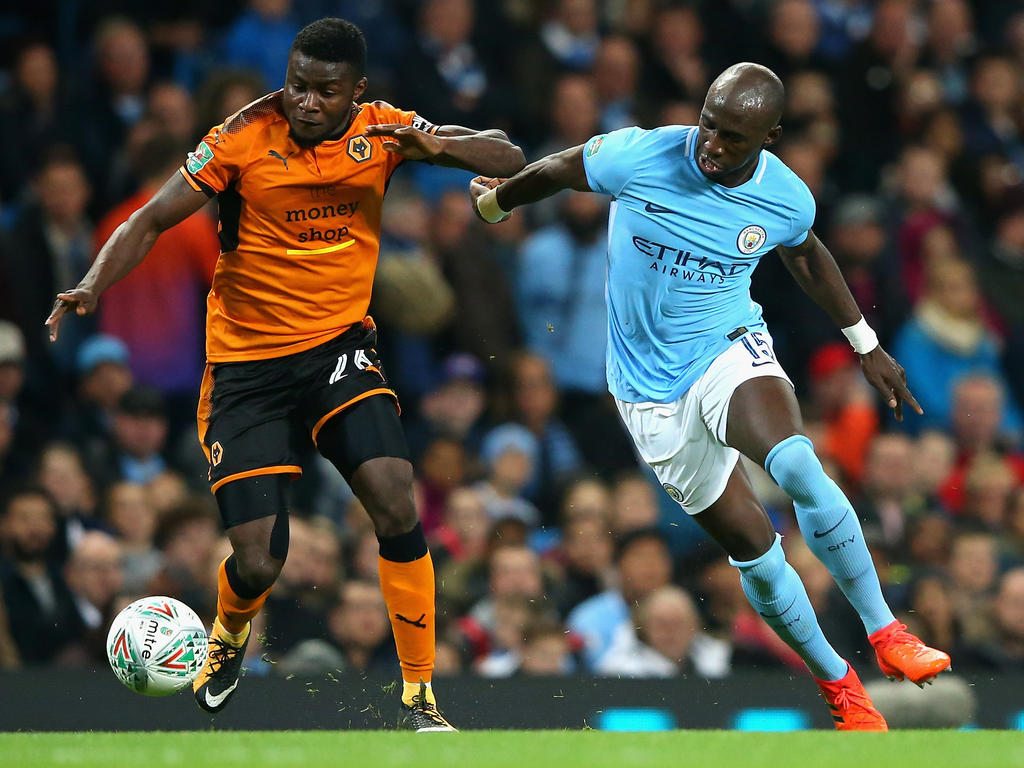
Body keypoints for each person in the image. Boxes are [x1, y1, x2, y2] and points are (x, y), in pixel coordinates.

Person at [46, 17, 524, 731]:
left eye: (323, 91)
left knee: (397, 498)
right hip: (245, 369)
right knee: (261, 562)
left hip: (336, 349)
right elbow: (149, 219)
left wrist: (443, 145)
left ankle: (420, 697)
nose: (303, 101)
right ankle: (230, 633)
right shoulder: (241, 136)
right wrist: (90, 282)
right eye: (297, 85)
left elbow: (509, 156)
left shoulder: (384, 128)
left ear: (355, 92)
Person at [470, 62, 951, 731]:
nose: (711, 145)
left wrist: (866, 344)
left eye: (732, 137)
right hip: (645, 388)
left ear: (770, 137)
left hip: (726, 345)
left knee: (797, 463)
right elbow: (556, 169)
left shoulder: (785, 196)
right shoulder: (639, 154)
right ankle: (837, 681)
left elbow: (806, 255)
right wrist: (498, 202)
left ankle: (886, 631)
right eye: (708, 124)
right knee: (753, 541)